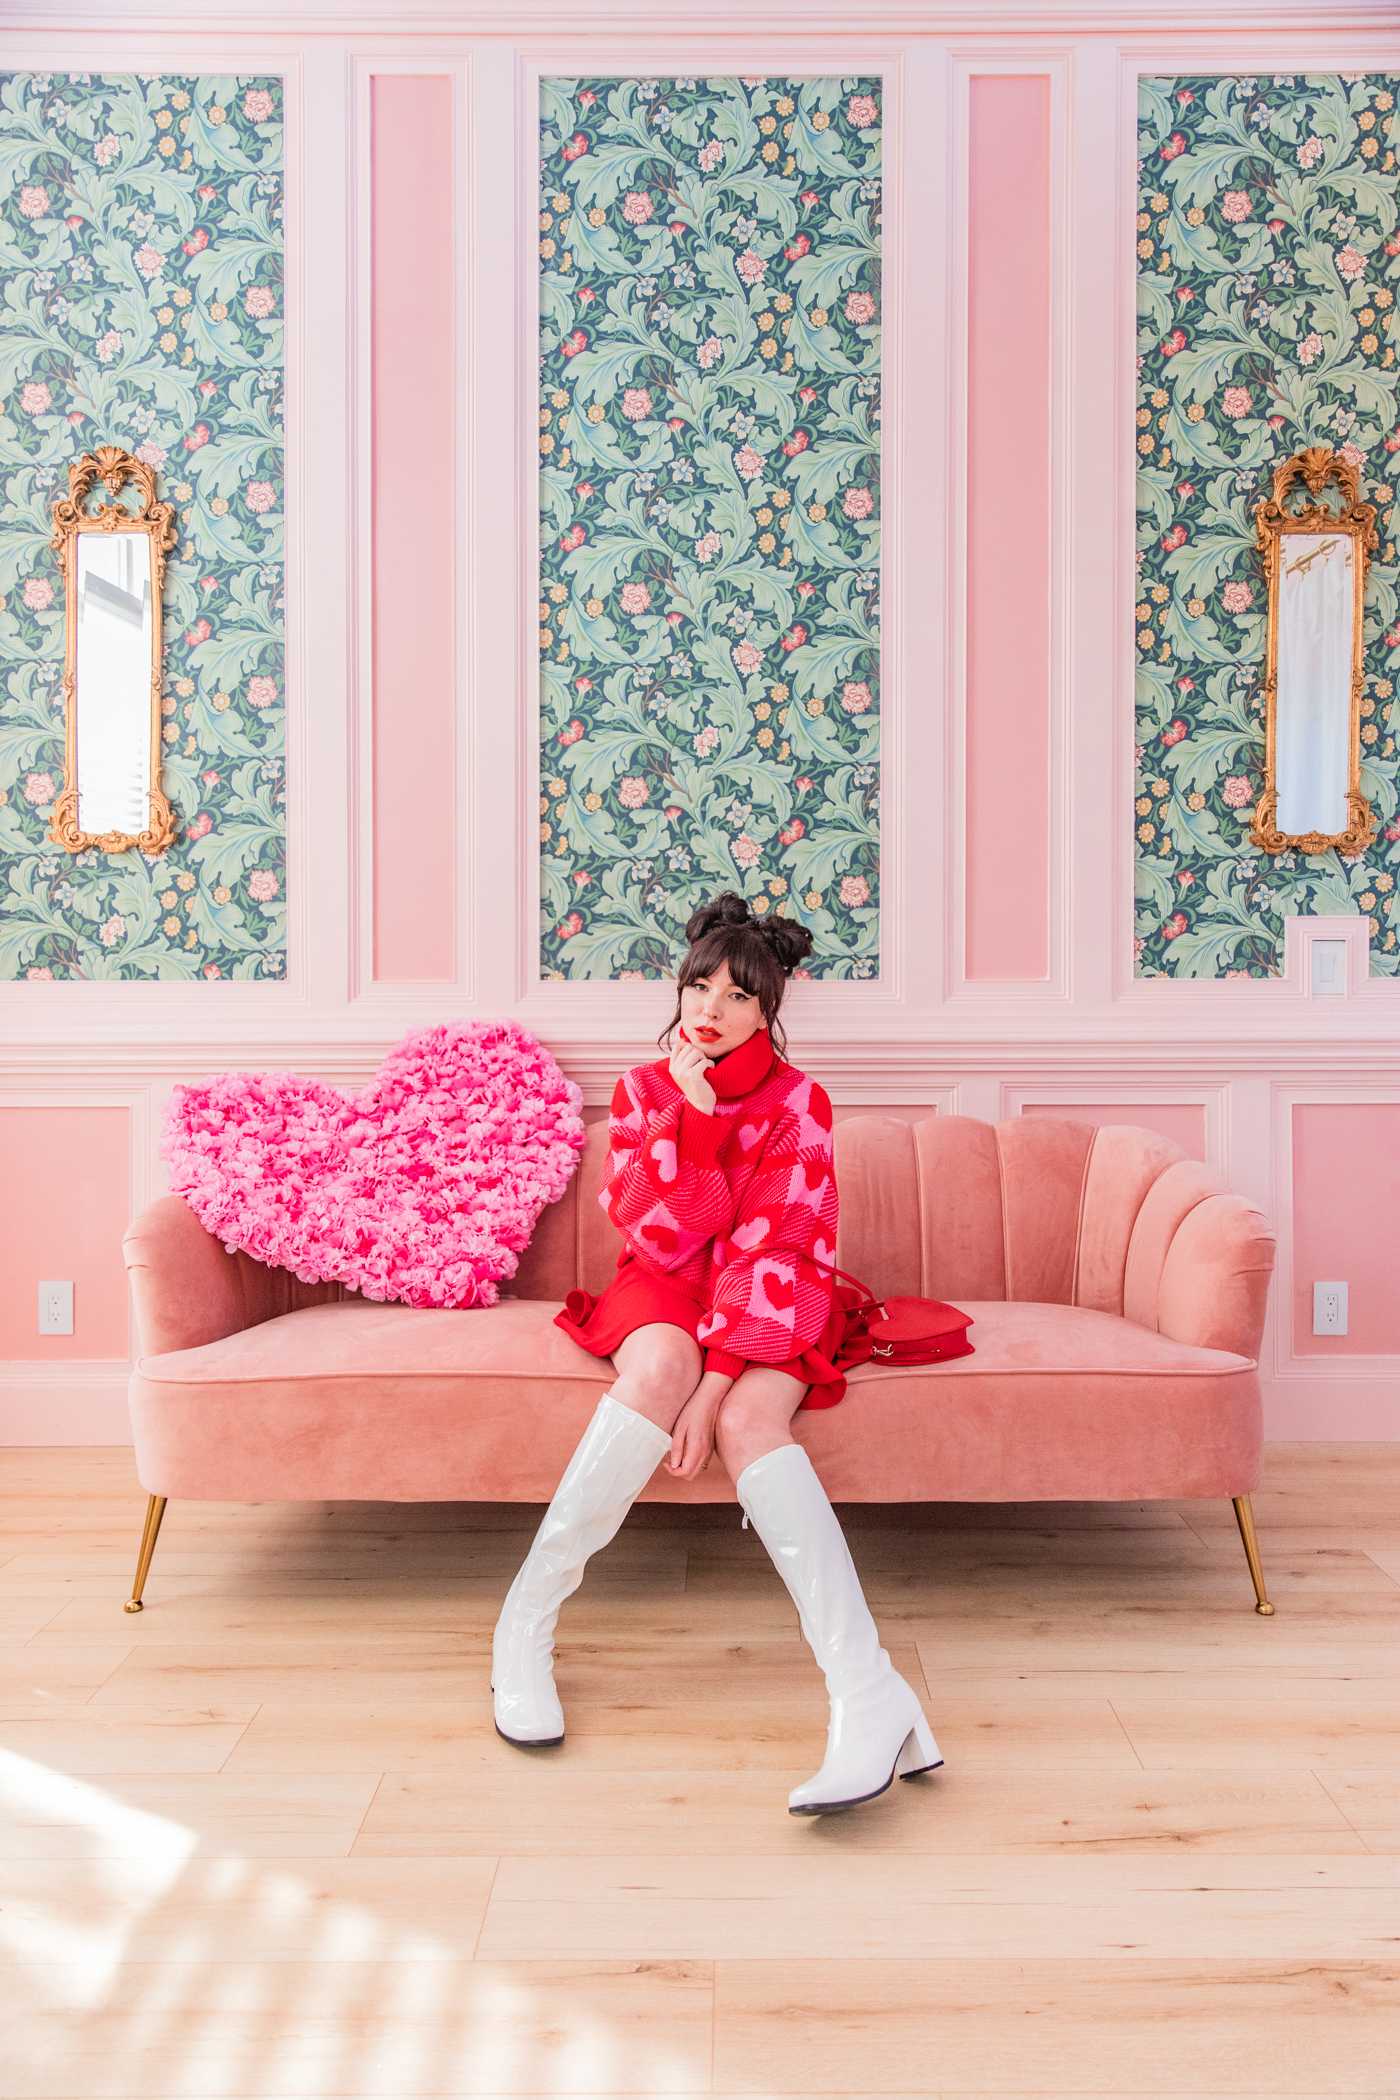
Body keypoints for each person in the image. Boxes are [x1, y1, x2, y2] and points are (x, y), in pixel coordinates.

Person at [491, 893, 941, 1814]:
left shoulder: (800, 1102)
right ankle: (524, 1626)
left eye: (738, 995)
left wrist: (724, 1374)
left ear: (767, 1010)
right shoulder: (643, 1089)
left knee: (743, 1417)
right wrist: (691, 1117)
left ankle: (870, 1694)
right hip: (667, 1277)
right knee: (659, 1369)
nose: (711, 1008)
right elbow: (658, 1233)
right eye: (700, 985)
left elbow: (778, 1242)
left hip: (773, 1287)